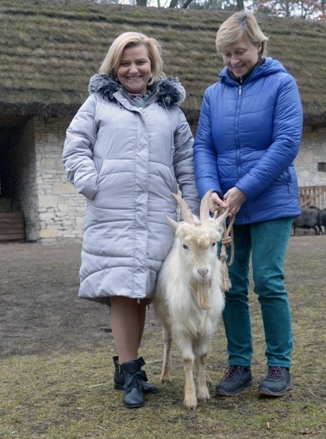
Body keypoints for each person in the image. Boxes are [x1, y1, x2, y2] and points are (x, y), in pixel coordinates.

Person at [62, 31, 199, 409]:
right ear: (114, 66)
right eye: (125, 62)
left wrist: (190, 209)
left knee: (142, 291)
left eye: (140, 61)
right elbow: (75, 145)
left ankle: (127, 370)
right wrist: (92, 182)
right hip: (112, 212)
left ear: (152, 66)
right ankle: (131, 371)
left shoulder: (170, 111)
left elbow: (185, 162)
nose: (133, 68)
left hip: (158, 215)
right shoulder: (97, 104)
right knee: (122, 290)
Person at [193, 11, 303, 398]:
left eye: (239, 52)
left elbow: (286, 143)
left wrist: (244, 189)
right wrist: (209, 189)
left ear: (258, 45)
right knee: (231, 285)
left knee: (268, 281)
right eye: (226, 55)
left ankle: (279, 365)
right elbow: (204, 145)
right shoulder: (213, 94)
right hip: (226, 207)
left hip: (271, 200)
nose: (233, 61)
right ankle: (239, 364)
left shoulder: (282, 85)